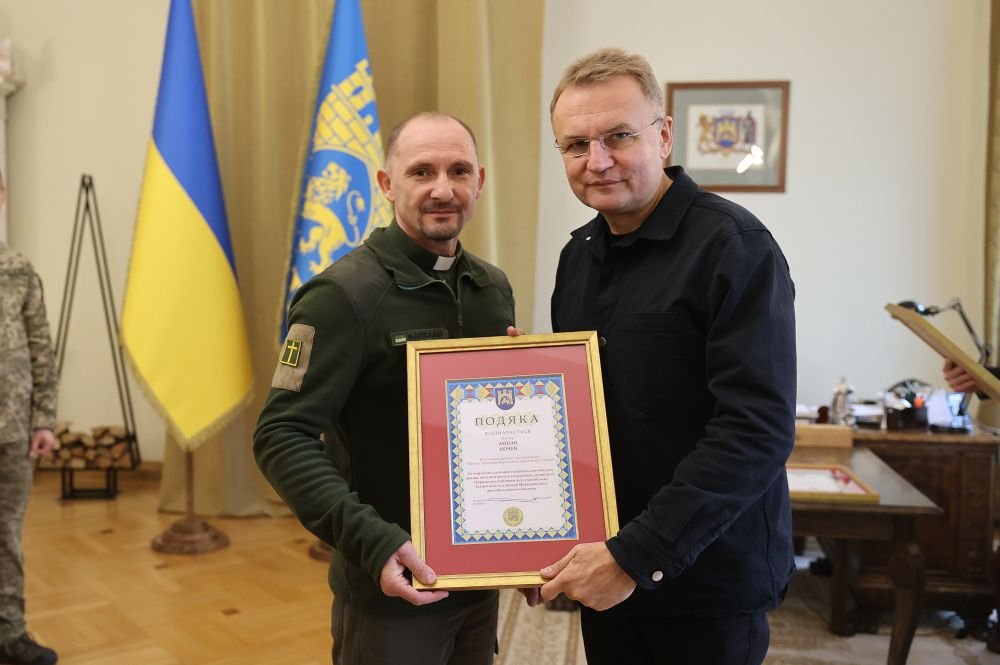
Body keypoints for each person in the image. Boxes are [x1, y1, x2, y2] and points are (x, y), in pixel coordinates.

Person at [528, 48, 797, 664]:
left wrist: (634, 556)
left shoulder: (736, 248)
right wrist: (528, 379)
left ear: (664, 135)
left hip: (705, 581)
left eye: (618, 136)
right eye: (575, 145)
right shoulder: (577, 258)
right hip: (606, 569)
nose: (597, 160)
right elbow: (587, 414)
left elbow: (755, 430)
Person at [254, 112, 516, 665]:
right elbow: (281, 436)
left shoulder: (492, 289)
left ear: (480, 181)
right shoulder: (341, 296)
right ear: (386, 184)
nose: (442, 189)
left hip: (480, 580)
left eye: (459, 170)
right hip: (391, 592)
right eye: (421, 171)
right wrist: (372, 542)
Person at [0, 168, 59, 665]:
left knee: (6, 535)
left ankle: (10, 633)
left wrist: (44, 419)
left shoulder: (17, 269)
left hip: (12, 429)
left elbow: (41, 346)